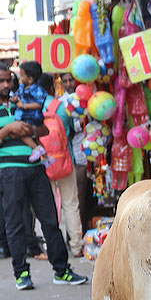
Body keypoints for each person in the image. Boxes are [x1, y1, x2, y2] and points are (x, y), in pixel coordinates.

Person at [0, 62, 87, 290]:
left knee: (50, 221)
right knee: (15, 224)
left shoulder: (23, 101)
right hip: (9, 171)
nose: (7, 84)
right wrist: (7, 130)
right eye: (1, 81)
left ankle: (61, 270)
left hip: (36, 169)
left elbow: (44, 129)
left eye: (9, 80)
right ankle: (21, 274)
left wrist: (30, 130)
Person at [38, 73, 83, 257]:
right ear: (52, 88)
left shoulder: (32, 107)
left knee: (46, 206)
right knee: (70, 204)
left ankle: (50, 247)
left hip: (43, 163)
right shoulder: (62, 107)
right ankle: (76, 246)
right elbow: (72, 130)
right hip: (65, 160)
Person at [59, 72, 90, 234]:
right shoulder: (62, 104)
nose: (69, 83)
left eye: (71, 80)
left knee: (87, 198)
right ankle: (78, 234)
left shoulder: (88, 99)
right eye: (66, 81)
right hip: (75, 157)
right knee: (77, 199)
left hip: (90, 154)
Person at [9, 61, 51, 166]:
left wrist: (23, 105)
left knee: (21, 133)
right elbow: (17, 96)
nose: (20, 78)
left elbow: (39, 104)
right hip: (24, 115)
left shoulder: (37, 90)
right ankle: (46, 158)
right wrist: (14, 99)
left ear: (31, 79)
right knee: (35, 138)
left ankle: (37, 149)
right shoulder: (23, 87)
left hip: (30, 117)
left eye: (22, 76)